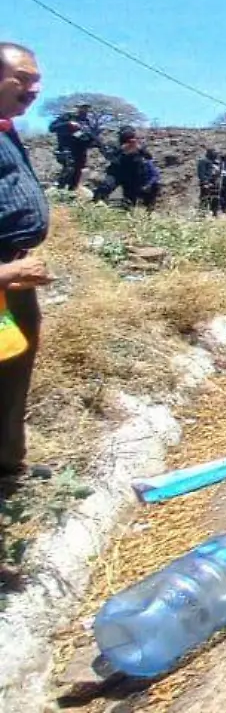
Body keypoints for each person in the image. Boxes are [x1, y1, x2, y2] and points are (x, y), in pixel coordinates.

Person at [0, 43, 53, 496]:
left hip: (15, 273)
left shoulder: (6, 131)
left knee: (12, 370)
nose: (33, 88)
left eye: (36, 79)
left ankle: (7, 469)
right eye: (22, 78)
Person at [94, 129, 161, 210]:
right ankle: (96, 205)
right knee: (104, 187)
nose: (130, 141)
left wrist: (139, 148)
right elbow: (109, 156)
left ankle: (126, 213)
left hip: (132, 175)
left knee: (129, 200)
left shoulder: (139, 146)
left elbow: (149, 157)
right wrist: (122, 149)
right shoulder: (115, 146)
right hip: (116, 173)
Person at [49, 102, 100, 193]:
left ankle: (71, 193)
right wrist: (68, 124)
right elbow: (52, 128)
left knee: (78, 172)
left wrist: (94, 140)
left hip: (81, 151)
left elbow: (92, 137)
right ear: (77, 108)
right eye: (82, 107)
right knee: (69, 169)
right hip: (66, 149)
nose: (84, 110)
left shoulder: (87, 122)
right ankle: (58, 191)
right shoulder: (67, 117)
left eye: (86, 108)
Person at [196, 147, 222, 214]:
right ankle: (202, 215)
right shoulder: (203, 161)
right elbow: (201, 173)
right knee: (205, 199)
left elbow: (219, 172)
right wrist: (205, 182)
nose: (216, 155)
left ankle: (215, 214)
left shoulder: (216, 162)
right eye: (214, 153)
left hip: (215, 183)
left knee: (215, 199)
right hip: (207, 184)